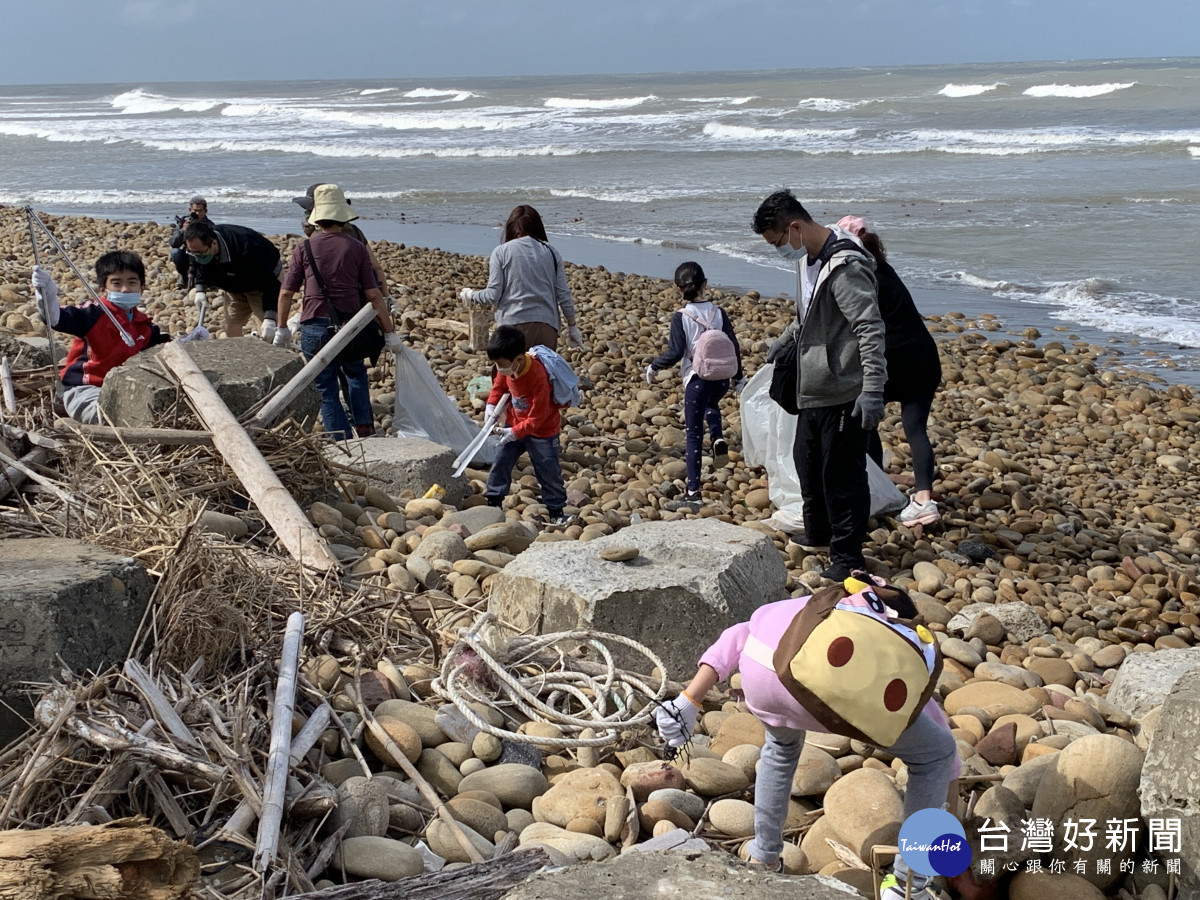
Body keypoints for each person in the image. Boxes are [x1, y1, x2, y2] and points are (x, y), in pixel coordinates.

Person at [655, 576, 958, 900]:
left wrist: (689, 700)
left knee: (780, 748)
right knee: (935, 755)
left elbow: (737, 635)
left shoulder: (806, 606)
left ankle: (763, 857)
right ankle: (908, 883)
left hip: (763, 676)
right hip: (844, 689)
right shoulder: (896, 646)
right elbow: (941, 750)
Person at [753, 190, 887, 582]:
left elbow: (869, 328)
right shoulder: (807, 261)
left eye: (777, 243)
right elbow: (807, 316)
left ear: (795, 228)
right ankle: (818, 533)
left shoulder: (845, 266)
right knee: (807, 464)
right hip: (812, 386)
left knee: (841, 477)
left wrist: (873, 390)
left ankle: (848, 557)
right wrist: (784, 342)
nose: (779, 250)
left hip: (843, 387)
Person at [836, 216, 942, 528]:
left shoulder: (858, 274)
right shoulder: (884, 268)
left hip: (891, 361)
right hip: (924, 358)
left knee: (866, 420)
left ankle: (877, 488)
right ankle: (924, 500)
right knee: (916, 430)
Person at [275, 184, 403, 441]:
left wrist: (281, 328)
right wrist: (389, 332)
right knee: (355, 374)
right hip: (351, 326)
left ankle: (341, 441)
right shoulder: (356, 247)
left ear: (316, 217)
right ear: (343, 216)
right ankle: (365, 429)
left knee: (326, 388)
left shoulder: (304, 248)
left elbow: (287, 292)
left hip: (314, 326)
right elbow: (373, 295)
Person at [32, 250, 208, 424]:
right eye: (116, 283)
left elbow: (164, 349)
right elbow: (56, 319)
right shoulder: (92, 313)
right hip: (85, 389)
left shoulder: (144, 325)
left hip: (124, 388)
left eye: (132, 282)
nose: (125, 289)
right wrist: (46, 294)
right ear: (103, 289)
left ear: (142, 287)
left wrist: (190, 341)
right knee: (107, 416)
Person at [645, 261, 744, 503]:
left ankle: (692, 491)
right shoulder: (718, 313)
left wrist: (654, 366)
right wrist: (739, 378)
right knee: (712, 403)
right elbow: (734, 346)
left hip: (697, 379)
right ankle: (718, 435)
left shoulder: (682, 317)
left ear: (679, 288)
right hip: (721, 378)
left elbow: (676, 352)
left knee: (693, 435)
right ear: (705, 284)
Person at [460, 205, 583, 352]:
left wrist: (471, 295)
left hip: (513, 325)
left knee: (512, 367)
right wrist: (572, 326)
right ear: (538, 228)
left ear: (510, 228)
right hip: (547, 327)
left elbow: (492, 295)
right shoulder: (551, 251)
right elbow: (563, 294)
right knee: (541, 367)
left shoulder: (501, 252)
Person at [482, 325, 569, 526]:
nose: (499, 368)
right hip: (513, 423)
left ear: (519, 359)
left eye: (501, 364)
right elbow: (499, 387)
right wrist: (491, 405)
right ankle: (493, 500)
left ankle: (556, 509)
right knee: (501, 460)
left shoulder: (537, 375)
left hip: (542, 432)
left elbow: (539, 416)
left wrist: (515, 432)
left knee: (547, 469)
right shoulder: (506, 368)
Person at [181, 219, 283, 340]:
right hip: (233, 286)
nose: (197, 257)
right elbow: (199, 264)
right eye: (192, 252)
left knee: (267, 331)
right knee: (231, 327)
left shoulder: (247, 249)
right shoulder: (198, 249)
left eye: (200, 253)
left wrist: (270, 316)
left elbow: (271, 284)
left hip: (261, 284)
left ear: (214, 243)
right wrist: (200, 288)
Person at [292, 184, 388, 290]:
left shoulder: (311, 242)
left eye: (308, 210)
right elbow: (376, 267)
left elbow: (295, 281)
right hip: (356, 293)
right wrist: (386, 295)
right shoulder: (354, 231)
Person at [168, 196, 209, 287]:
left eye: (200, 211)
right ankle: (184, 276)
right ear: (190, 210)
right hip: (187, 253)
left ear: (205, 211)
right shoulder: (185, 222)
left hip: (203, 256)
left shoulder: (209, 225)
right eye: (195, 211)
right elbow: (173, 243)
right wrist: (182, 231)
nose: (197, 213)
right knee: (175, 253)